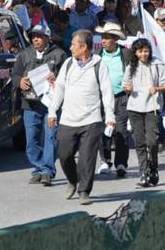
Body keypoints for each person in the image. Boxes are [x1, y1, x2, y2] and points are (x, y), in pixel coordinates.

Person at [47, 29, 116, 205]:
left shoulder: (99, 65)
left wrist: (109, 115)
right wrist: (53, 111)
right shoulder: (69, 64)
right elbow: (59, 88)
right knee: (64, 155)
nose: (70, 48)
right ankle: (72, 179)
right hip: (68, 119)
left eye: (73, 45)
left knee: (87, 158)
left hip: (91, 120)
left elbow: (107, 92)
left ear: (84, 47)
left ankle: (84, 191)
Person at [11, 24, 67, 186]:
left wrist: (55, 76)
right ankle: (38, 168)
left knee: (51, 137)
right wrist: (19, 81)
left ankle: (48, 171)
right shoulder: (24, 55)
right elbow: (15, 75)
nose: (36, 39)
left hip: (51, 104)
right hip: (30, 104)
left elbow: (68, 76)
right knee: (32, 139)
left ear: (48, 38)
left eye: (39, 36)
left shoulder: (59, 54)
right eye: (33, 36)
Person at [123, 38, 165, 187]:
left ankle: (153, 167)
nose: (144, 54)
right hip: (134, 107)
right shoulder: (131, 66)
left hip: (152, 106)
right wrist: (128, 88)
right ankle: (143, 172)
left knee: (152, 141)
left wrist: (157, 88)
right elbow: (125, 84)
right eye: (140, 51)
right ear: (135, 52)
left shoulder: (157, 63)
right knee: (139, 141)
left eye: (146, 51)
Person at [96, 22, 133, 178]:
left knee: (121, 131)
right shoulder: (97, 56)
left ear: (115, 39)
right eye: (102, 37)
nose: (103, 40)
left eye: (106, 38)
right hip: (103, 97)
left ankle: (121, 163)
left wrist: (132, 85)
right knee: (104, 130)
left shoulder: (126, 54)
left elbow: (134, 71)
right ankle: (105, 161)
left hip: (121, 97)